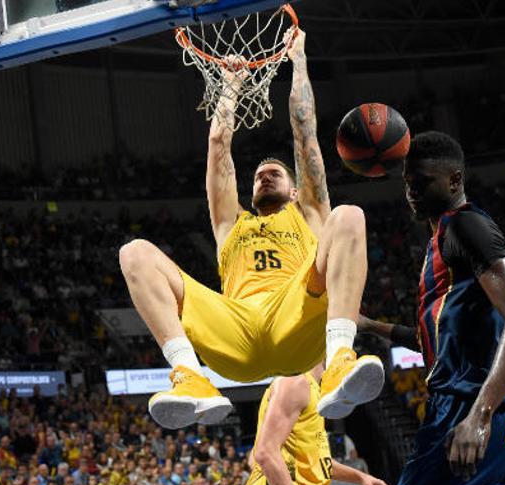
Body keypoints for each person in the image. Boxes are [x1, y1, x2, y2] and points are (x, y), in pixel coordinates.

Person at [118, 28, 383, 430]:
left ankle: (339, 360)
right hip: (234, 332)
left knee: (348, 216)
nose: (264, 176)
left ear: (295, 190)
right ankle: (191, 377)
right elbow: (219, 146)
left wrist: (298, 61)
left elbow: (305, 131)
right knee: (134, 252)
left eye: (274, 173)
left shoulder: (307, 211)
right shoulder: (230, 223)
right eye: (259, 175)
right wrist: (230, 86)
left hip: (294, 319)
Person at [358, 131, 505, 485]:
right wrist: (368, 325)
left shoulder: (464, 223)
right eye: (407, 183)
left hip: (468, 411)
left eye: (422, 182)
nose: (411, 191)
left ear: (454, 180)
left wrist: (479, 416)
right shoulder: (441, 240)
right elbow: (434, 343)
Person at [245, 363, 392, 485]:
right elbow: (265, 453)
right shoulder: (296, 382)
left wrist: (361, 477)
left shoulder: (314, 391)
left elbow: (319, 462)